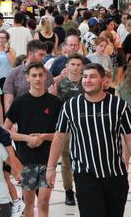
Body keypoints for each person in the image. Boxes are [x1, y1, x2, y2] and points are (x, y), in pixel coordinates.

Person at [46, 64, 131, 217]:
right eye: (85, 76)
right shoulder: (70, 106)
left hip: (115, 174)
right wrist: (50, 168)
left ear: (103, 80)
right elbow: (59, 137)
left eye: (93, 76)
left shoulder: (119, 106)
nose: (87, 80)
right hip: (85, 174)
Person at [4, 62, 62, 217]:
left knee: (43, 202)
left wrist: (44, 137)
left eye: (40, 75)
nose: (37, 79)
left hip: (47, 160)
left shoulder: (55, 102)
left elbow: (63, 133)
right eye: (34, 76)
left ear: (46, 77)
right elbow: (5, 130)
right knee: (28, 203)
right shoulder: (20, 102)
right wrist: (25, 138)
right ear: (27, 78)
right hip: (26, 160)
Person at [49, 53, 84, 206]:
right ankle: (68, 191)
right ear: (67, 66)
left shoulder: (87, 82)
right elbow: (56, 107)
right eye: (73, 64)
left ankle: (83, 189)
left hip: (84, 128)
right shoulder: (61, 84)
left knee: (84, 160)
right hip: (67, 128)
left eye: (78, 65)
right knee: (66, 161)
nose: (75, 68)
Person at [3, 40, 54, 114]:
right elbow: (8, 102)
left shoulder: (48, 74)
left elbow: (51, 100)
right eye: (40, 55)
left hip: (42, 118)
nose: (43, 58)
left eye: (44, 55)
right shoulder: (14, 73)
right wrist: (11, 122)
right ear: (30, 54)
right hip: (20, 117)